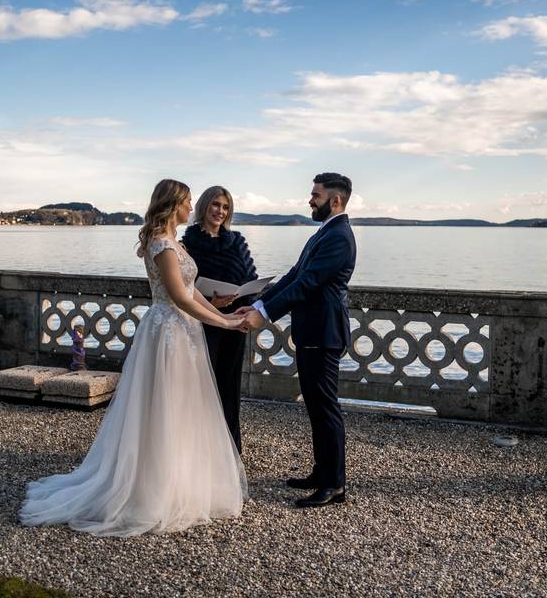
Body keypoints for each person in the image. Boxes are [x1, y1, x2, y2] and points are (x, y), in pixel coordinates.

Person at [20, 179, 248, 537]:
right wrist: (223, 322)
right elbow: (179, 298)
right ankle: (153, 486)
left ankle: (182, 477)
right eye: (188, 202)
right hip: (168, 332)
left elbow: (192, 293)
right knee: (163, 407)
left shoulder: (176, 242)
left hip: (184, 332)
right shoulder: (161, 244)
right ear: (175, 205)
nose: (192, 208)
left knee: (185, 406)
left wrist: (227, 315)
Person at [239, 172, 356, 508]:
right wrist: (259, 302)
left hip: (323, 332)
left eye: (315, 195)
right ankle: (322, 473)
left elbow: (308, 285)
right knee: (316, 407)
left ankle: (334, 484)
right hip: (312, 331)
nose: (310, 200)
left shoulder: (339, 237)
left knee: (326, 408)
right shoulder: (326, 232)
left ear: (335, 200)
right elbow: (295, 275)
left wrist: (264, 315)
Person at [182, 186, 259, 453]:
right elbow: (183, 287)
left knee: (229, 385)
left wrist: (247, 306)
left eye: (225, 207)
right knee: (202, 386)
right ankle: (200, 452)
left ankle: (230, 451)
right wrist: (211, 303)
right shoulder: (188, 242)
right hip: (202, 322)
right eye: (215, 205)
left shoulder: (237, 241)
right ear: (204, 206)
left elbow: (250, 277)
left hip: (235, 321)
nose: (220, 211)